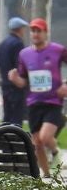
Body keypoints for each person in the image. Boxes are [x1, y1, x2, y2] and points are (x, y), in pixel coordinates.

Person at [8, 17, 67, 178]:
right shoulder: (24, 54)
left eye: (38, 31)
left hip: (53, 101)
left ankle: (55, 151)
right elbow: (23, 81)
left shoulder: (57, 50)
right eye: (33, 31)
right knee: (38, 143)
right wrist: (14, 79)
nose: (35, 34)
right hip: (34, 103)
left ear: (45, 33)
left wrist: (65, 85)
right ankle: (47, 174)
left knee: (45, 136)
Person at [0, 17, 28, 127]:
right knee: (16, 118)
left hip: (5, 84)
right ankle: (15, 141)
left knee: (7, 116)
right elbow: (20, 65)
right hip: (16, 86)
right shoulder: (18, 44)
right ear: (19, 29)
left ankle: (3, 140)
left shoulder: (2, 44)